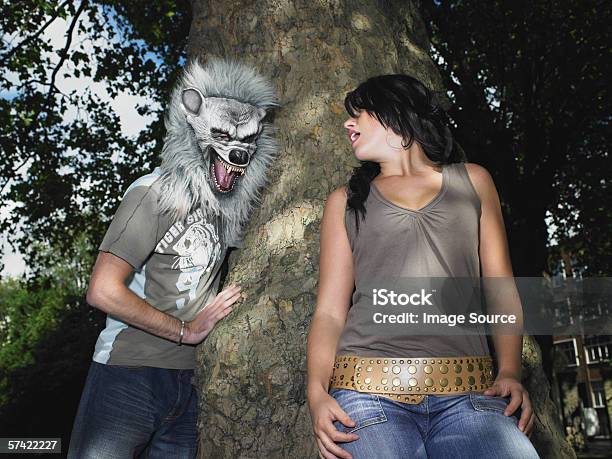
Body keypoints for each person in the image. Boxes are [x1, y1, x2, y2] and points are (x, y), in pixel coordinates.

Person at [306, 74, 539, 459]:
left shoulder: (474, 181)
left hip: (471, 396)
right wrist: (316, 392)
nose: (348, 124)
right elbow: (330, 312)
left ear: (397, 115)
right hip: (366, 396)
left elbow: (500, 287)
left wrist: (511, 371)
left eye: (359, 113)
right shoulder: (344, 203)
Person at [67, 59, 278, 458]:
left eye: (247, 139)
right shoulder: (154, 193)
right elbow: (102, 290)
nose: (237, 148)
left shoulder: (229, 209)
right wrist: (186, 331)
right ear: (191, 117)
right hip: (127, 373)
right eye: (220, 134)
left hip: (191, 383)